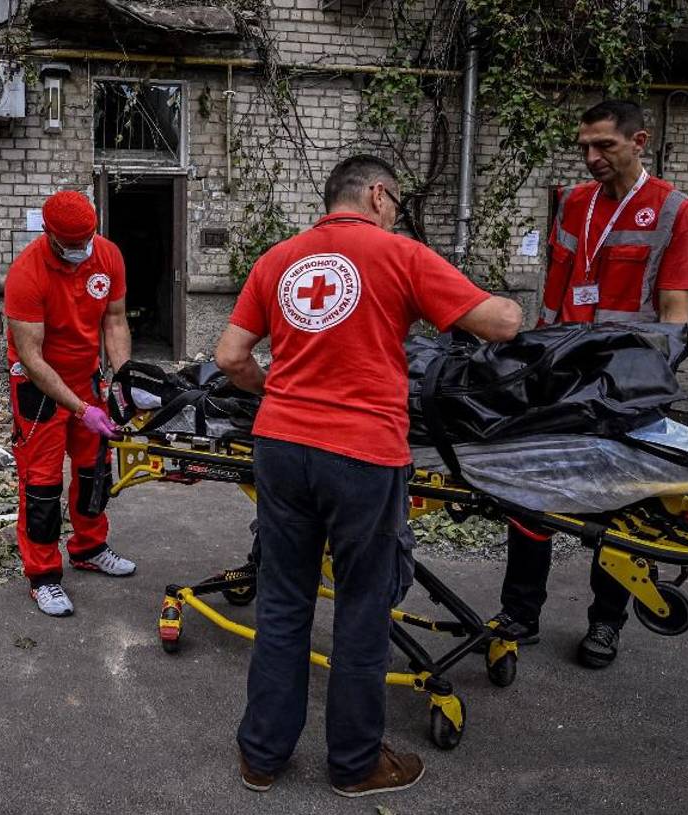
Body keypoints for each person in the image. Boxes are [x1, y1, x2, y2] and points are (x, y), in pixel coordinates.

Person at [215, 155, 522, 797]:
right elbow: (498, 324)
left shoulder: (279, 259)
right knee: (361, 608)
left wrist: (276, 391)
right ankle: (356, 766)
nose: (396, 212)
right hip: (361, 452)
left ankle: (260, 757)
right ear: (379, 194)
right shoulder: (399, 254)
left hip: (280, 445)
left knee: (283, 599)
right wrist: (514, 304)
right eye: (397, 202)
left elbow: (231, 356)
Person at [492, 99, 688, 668]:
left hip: (624, 383)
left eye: (604, 145)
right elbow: (555, 292)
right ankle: (519, 613)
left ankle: (606, 623)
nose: (592, 157)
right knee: (531, 493)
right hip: (564, 374)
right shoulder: (574, 203)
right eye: (585, 146)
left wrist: (652, 381)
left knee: (621, 504)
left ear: (639, 141)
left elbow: (674, 309)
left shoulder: (674, 210)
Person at [4, 190, 137, 617]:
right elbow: (32, 359)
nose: (83, 249)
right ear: (50, 234)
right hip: (38, 386)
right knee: (42, 485)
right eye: (73, 243)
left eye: (88, 239)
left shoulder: (108, 255)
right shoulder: (26, 273)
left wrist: (124, 383)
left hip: (86, 377)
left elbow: (115, 321)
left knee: (94, 470)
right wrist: (80, 409)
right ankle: (43, 576)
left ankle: (89, 548)